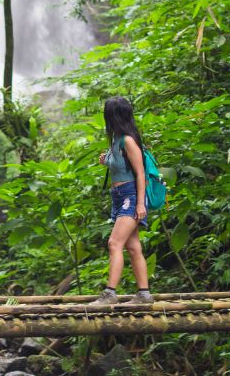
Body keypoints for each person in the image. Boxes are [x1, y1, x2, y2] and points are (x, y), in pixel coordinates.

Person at [91, 96, 152, 305]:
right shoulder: (116, 140)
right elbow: (120, 166)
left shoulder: (128, 140)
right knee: (133, 246)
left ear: (114, 117)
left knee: (114, 243)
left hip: (130, 196)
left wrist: (140, 203)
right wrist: (106, 161)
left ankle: (110, 294)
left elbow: (140, 173)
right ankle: (144, 294)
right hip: (119, 197)